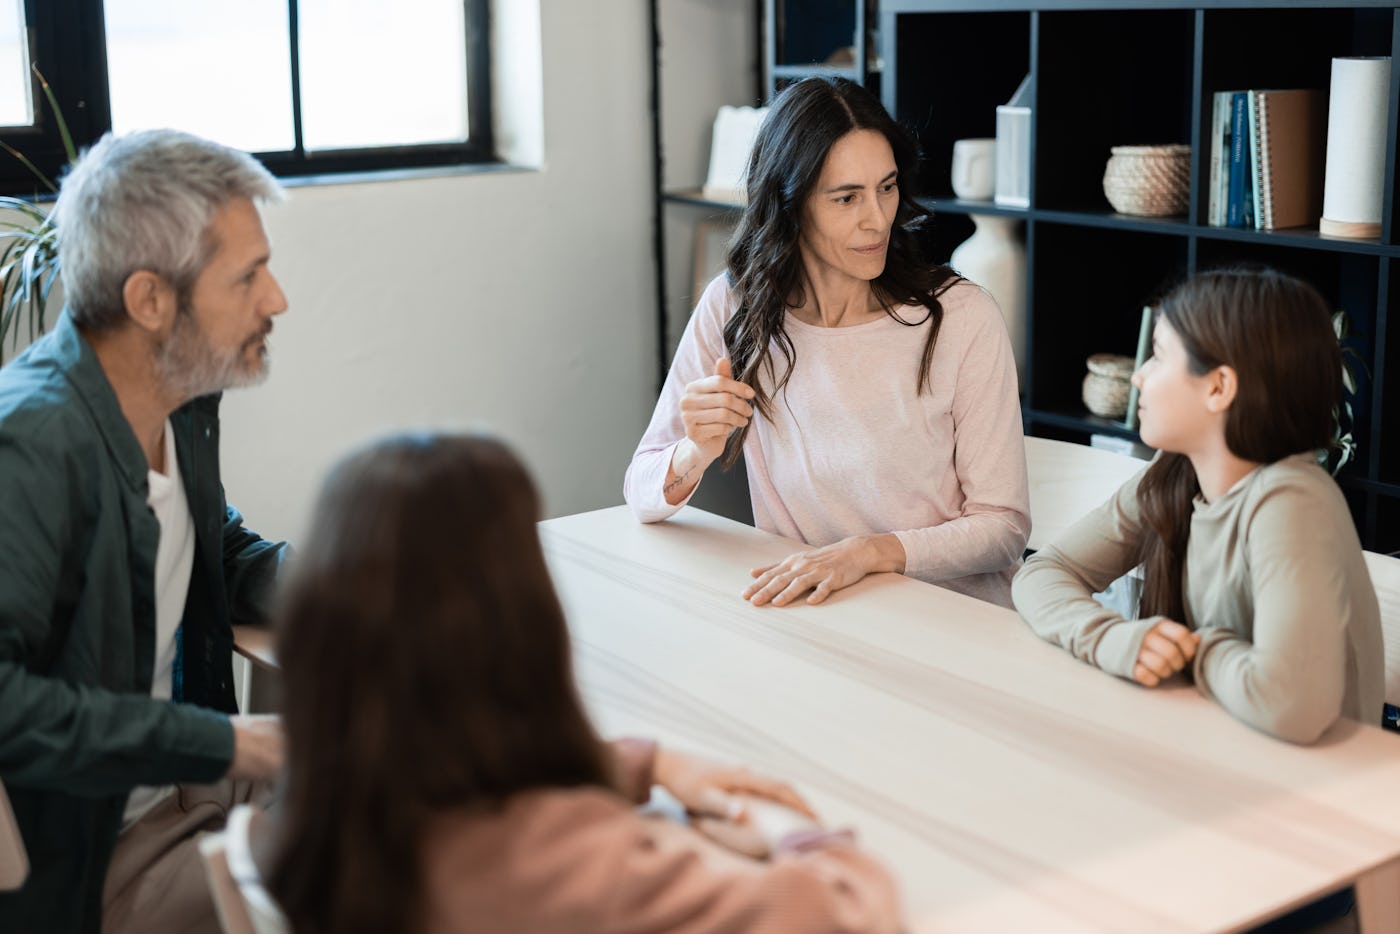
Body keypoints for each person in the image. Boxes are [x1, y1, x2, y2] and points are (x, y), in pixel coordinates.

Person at [219, 432, 901, 933]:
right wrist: (786, 829)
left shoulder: (322, 809)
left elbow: (453, 761)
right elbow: (843, 912)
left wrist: (646, 763)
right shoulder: (569, 863)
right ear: (521, 617)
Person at [0, 129, 290, 933]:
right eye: (248, 275)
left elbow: (210, 548)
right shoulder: (28, 445)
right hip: (87, 860)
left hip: (183, 796)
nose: (276, 298)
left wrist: (344, 590)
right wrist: (237, 747)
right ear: (150, 300)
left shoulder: (181, 399)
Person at [625, 77, 1029, 609]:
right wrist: (696, 450)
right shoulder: (737, 307)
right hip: (820, 614)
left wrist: (867, 553)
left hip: (952, 620)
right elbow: (641, 494)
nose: (878, 218)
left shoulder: (961, 315)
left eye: (887, 188)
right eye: (847, 198)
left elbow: (1003, 529)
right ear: (790, 205)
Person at [1013, 267, 1383, 744]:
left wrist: (1196, 650)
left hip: (1315, 787)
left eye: (1159, 357)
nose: (1140, 378)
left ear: (1218, 388)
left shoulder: (1291, 501)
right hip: (1219, 745)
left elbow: (1293, 706)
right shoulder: (1174, 474)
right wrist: (1111, 638)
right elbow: (1044, 572)